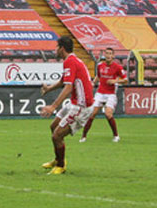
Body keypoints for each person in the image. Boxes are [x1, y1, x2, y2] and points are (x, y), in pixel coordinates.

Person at [40, 36, 94, 175]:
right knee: (53, 127)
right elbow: (63, 81)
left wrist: (53, 106)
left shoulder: (70, 61)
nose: (55, 50)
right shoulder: (72, 60)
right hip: (74, 103)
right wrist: (48, 89)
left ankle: (61, 165)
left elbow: (68, 87)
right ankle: (58, 159)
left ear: (62, 48)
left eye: (56, 47)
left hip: (82, 107)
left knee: (57, 135)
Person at [80, 48, 127, 143]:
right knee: (92, 113)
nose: (108, 55)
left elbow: (125, 80)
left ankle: (116, 135)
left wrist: (115, 81)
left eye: (110, 53)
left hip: (111, 94)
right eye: (107, 53)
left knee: (108, 114)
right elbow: (98, 76)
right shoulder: (100, 65)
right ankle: (83, 136)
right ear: (104, 55)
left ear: (113, 56)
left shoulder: (117, 67)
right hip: (100, 93)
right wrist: (93, 83)